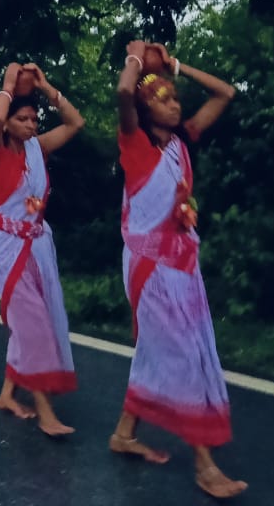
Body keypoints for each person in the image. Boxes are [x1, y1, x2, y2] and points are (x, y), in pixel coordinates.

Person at [110, 41, 245, 498]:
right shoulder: (134, 142)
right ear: (146, 108)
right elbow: (124, 93)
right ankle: (205, 465)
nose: (174, 103)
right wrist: (135, 58)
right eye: (163, 98)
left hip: (183, 261)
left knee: (159, 349)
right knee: (185, 354)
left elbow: (226, 93)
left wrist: (176, 65)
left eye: (175, 97)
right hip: (150, 264)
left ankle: (124, 432)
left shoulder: (182, 142)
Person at [0, 63, 85, 435]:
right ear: (8, 123)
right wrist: (8, 84)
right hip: (6, 248)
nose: (30, 125)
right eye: (22, 119)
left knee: (32, 321)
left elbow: (75, 123)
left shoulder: (36, 149)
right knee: (34, 323)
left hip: (37, 246)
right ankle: (46, 413)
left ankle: (7, 395)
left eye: (34, 119)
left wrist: (46, 87)